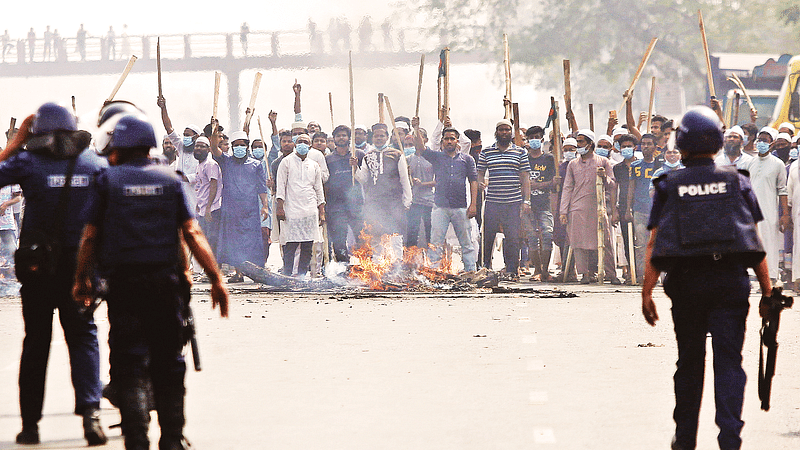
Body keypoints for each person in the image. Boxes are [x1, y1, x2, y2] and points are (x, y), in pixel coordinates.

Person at [72, 114, 229, 450]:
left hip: (123, 287)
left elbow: (89, 237)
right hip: (166, 285)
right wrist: (216, 279)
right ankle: (172, 438)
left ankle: (137, 437)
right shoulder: (169, 179)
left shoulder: (106, 181)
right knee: (169, 361)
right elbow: (192, 233)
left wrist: (82, 280)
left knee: (129, 362)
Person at [642, 106, 771, 450]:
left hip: (686, 285)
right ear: (717, 141)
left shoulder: (668, 184)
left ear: (680, 144)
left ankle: (685, 438)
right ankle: (730, 437)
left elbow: (655, 241)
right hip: (731, 282)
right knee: (729, 362)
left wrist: (647, 292)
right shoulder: (737, 180)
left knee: (689, 362)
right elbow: (754, 241)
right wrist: (768, 292)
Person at [0, 103, 107, 445]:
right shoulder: (94, 164)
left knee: (36, 343)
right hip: (80, 268)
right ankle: (91, 418)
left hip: (38, 269)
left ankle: (30, 426)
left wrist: (16, 141)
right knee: (83, 338)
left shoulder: (28, 162)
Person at [412, 119, 478, 272]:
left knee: (466, 243)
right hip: (440, 207)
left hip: (460, 207)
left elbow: (473, 181)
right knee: (435, 243)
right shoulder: (437, 157)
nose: (449, 141)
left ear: (457, 141)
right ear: (442, 142)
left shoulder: (467, 159)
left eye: (452, 138)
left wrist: (473, 204)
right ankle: (434, 272)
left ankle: (471, 271)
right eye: (446, 139)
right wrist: (415, 128)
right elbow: (420, 147)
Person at [559, 129, 618, 284]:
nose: (578, 145)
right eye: (577, 142)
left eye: (581, 142)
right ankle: (585, 274)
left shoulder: (603, 162)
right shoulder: (573, 164)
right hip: (577, 208)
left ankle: (611, 274)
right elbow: (567, 188)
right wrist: (563, 211)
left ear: (590, 144)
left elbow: (612, 185)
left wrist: (604, 176)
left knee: (604, 241)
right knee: (579, 244)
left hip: (598, 208)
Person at [211, 129, 268, 282]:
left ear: (247, 147)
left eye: (242, 145)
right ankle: (238, 273)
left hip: (250, 209)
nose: (239, 147)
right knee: (234, 241)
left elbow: (262, 187)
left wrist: (265, 205)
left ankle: (255, 272)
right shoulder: (226, 161)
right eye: (236, 145)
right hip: (231, 209)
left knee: (251, 241)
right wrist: (214, 134)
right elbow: (214, 150)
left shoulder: (256, 164)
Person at [477, 120, 531, 277]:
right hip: (493, 201)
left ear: (512, 133)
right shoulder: (487, 152)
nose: (504, 132)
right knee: (488, 236)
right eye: (501, 130)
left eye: (507, 129)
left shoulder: (520, 152)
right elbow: (480, 172)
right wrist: (480, 183)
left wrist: (526, 200)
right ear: (496, 132)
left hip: (513, 202)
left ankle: (512, 270)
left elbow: (525, 178)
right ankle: (485, 268)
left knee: (513, 237)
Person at [355, 122, 412, 258]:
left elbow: (404, 179)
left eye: (381, 136)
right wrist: (354, 168)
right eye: (376, 136)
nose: (379, 138)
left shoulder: (397, 155)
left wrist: (407, 200)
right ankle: (377, 264)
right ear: (372, 138)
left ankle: (396, 264)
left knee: (395, 234)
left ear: (387, 137)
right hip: (374, 202)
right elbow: (363, 179)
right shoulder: (368, 156)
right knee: (375, 234)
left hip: (394, 202)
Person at [275, 139, 326, 276]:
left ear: (310, 145)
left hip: (310, 209)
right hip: (291, 209)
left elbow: (319, 189)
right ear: (295, 144)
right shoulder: (286, 162)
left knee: (308, 245)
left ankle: (302, 275)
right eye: (300, 141)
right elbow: (281, 186)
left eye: (306, 141)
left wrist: (321, 211)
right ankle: (287, 274)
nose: (303, 144)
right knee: (290, 244)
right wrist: (280, 207)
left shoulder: (314, 165)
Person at [749, 128, 790, 284]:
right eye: (759, 140)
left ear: (772, 143)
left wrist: (784, 214)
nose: (761, 143)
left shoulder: (778, 164)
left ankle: (771, 276)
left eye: (765, 141)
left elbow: (783, 190)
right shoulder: (751, 162)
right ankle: (755, 277)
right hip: (751, 211)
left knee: (769, 243)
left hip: (769, 211)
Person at [324, 125, 365, 262]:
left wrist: (356, 166)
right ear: (334, 139)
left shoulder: (358, 154)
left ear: (349, 138)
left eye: (344, 135)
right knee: (339, 240)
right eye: (338, 136)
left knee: (362, 237)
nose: (341, 138)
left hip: (356, 203)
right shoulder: (328, 158)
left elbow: (365, 178)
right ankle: (343, 268)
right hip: (336, 205)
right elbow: (325, 181)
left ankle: (365, 267)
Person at [523, 126, 556, 280]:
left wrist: (538, 185)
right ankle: (537, 270)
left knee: (548, 234)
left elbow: (554, 183)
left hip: (544, 204)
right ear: (527, 141)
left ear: (542, 140)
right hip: (528, 205)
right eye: (531, 138)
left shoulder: (549, 159)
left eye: (537, 137)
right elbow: (520, 180)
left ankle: (545, 270)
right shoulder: (523, 159)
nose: (534, 140)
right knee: (532, 237)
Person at [628, 133, 661, 282]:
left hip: (657, 211)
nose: (646, 147)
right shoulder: (635, 166)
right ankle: (641, 275)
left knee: (658, 244)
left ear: (655, 147)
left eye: (649, 144)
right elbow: (631, 188)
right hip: (639, 210)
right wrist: (628, 208)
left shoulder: (660, 166)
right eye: (644, 144)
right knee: (641, 243)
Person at [405, 126, 435, 249]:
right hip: (414, 200)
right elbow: (404, 181)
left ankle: (433, 260)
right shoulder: (408, 159)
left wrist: (422, 184)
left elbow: (438, 181)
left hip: (429, 201)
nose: (416, 141)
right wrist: (409, 176)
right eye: (414, 138)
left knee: (430, 232)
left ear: (426, 140)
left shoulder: (433, 158)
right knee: (412, 232)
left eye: (419, 138)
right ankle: (410, 261)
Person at [192, 136, 222, 257]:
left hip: (212, 210)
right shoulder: (200, 165)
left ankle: (214, 271)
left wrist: (209, 207)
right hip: (203, 210)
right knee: (203, 240)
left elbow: (213, 185)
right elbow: (201, 187)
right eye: (196, 146)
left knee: (212, 241)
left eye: (202, 146)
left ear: (209, 149)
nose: (198, 148)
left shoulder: (210, 164)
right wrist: (198, 206)